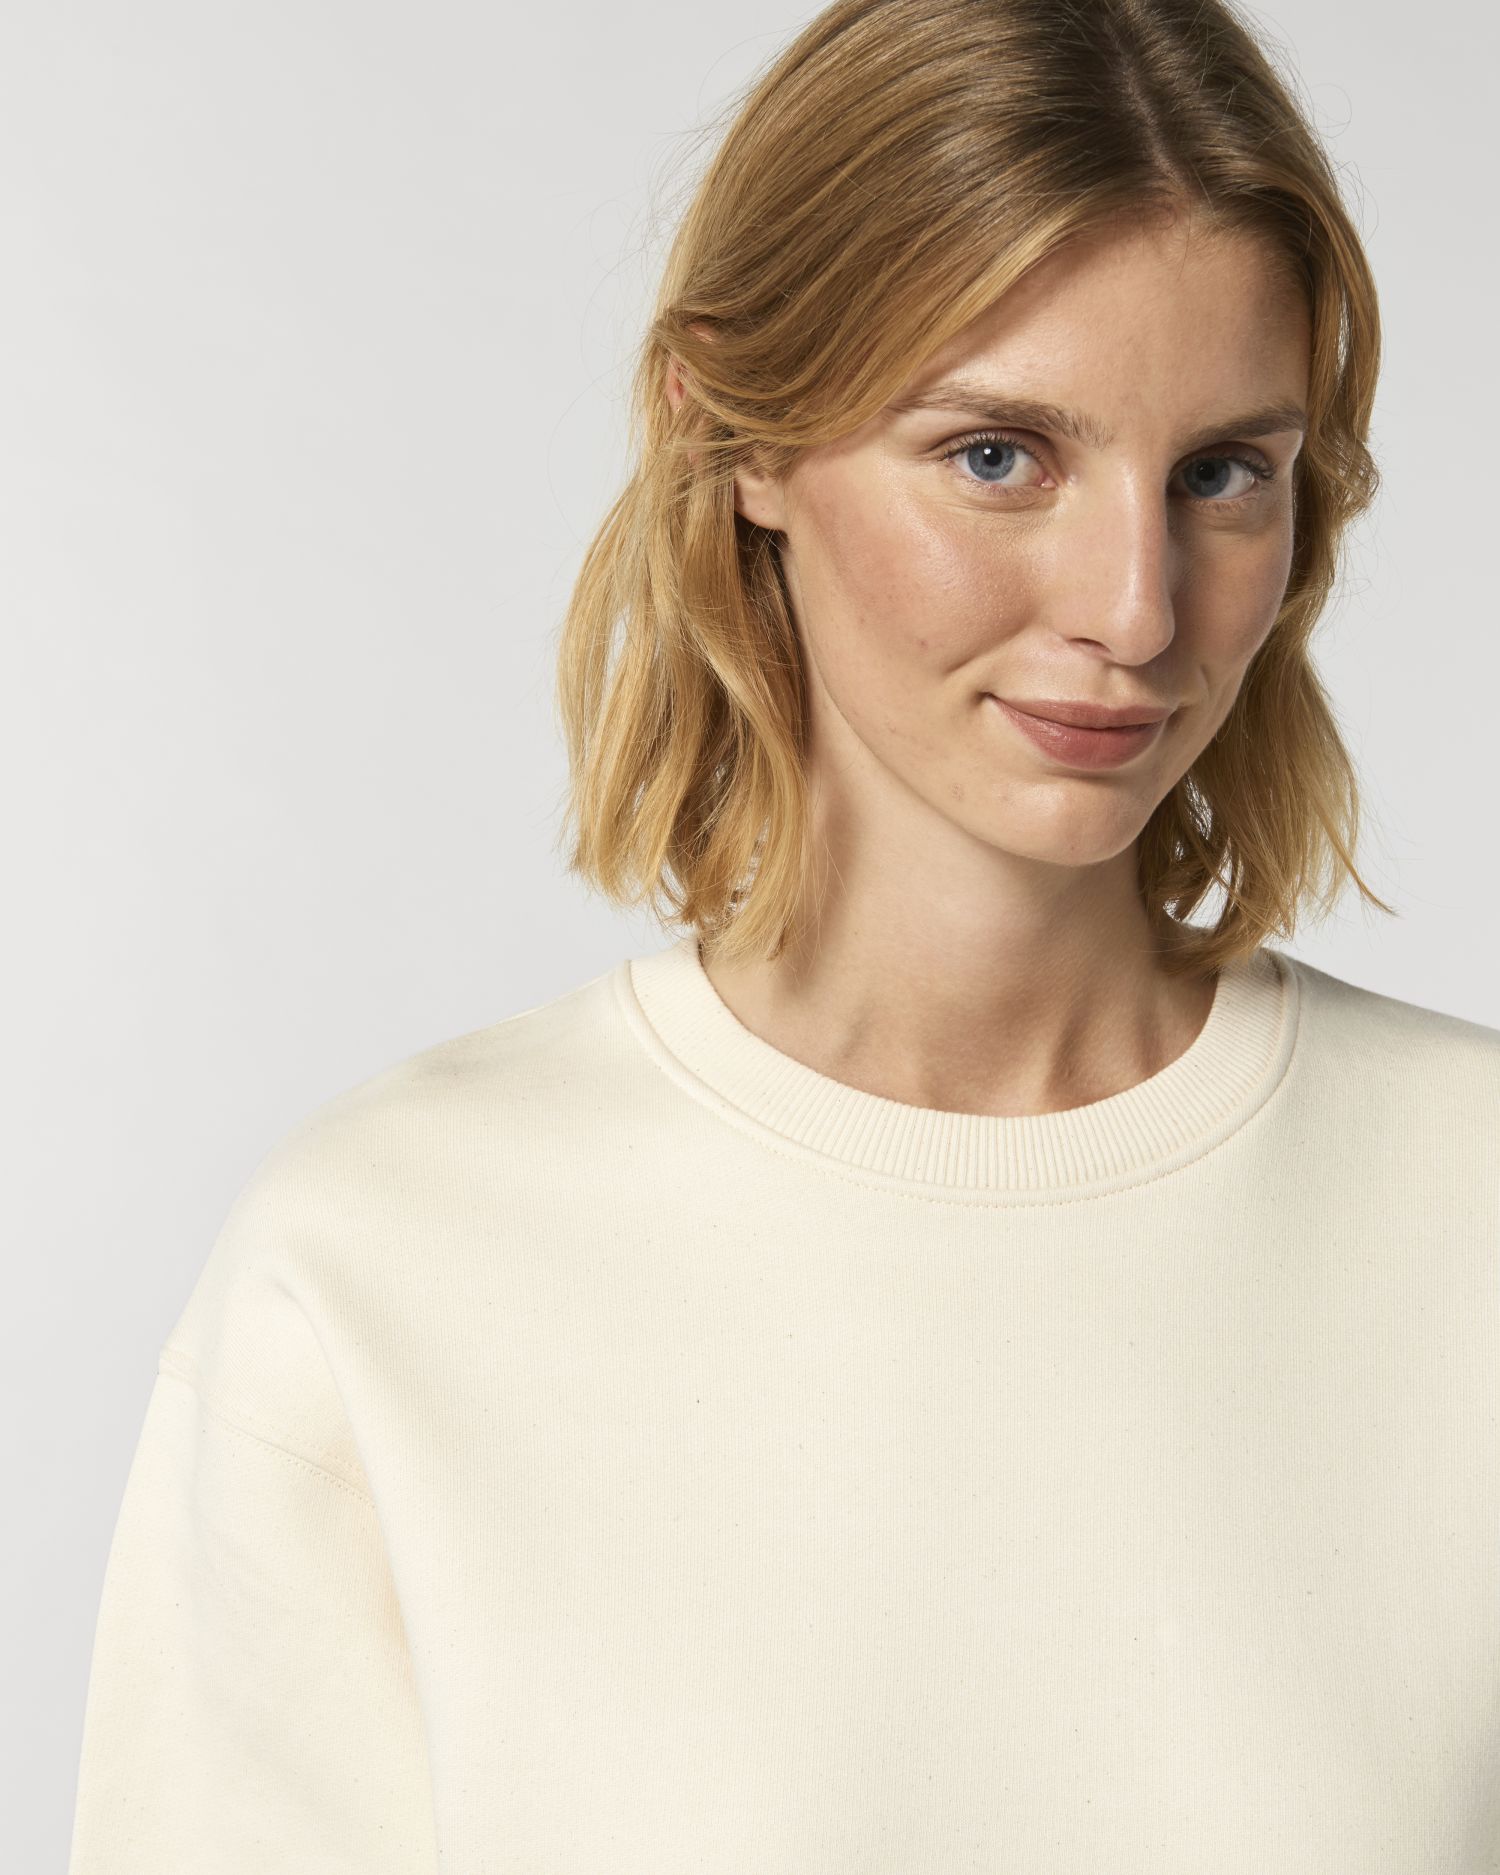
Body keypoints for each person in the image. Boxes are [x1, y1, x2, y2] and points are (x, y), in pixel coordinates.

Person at [67, 0, 1500, 1868]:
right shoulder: (381, 1264)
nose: (1135, 608)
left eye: (1223, 470)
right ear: (732, 435)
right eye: (999, 456)